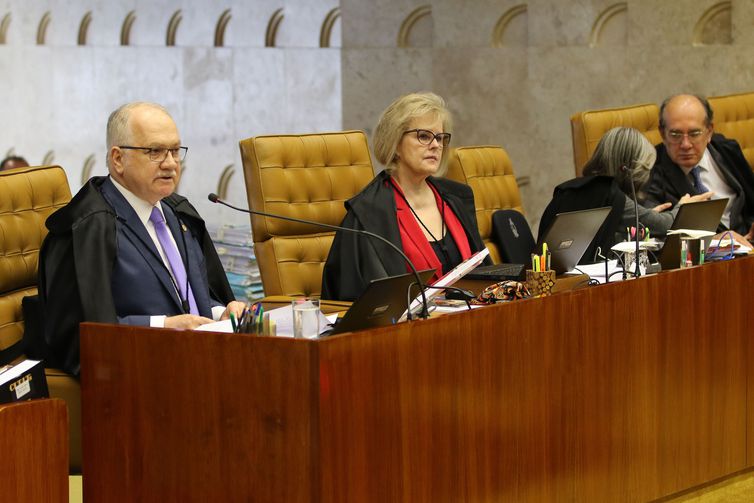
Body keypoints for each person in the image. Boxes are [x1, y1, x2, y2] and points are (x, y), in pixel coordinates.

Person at [37, 102, 244, 376]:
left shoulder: (179, 213)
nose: (170, 163)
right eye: (155, 151)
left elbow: (200, 297)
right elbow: (82, 337)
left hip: (204, 364)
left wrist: (221, 313)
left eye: (174, 151)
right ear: (118, 159)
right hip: (140, 378)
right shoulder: (88, 228)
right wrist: (161, 327)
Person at [321, 92, 487, 301]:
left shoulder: (455, 199)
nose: (436, 145)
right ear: (396, 143)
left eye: (440, 137)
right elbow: (362, 300)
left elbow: (484, 274)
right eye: (424, 136)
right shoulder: (368, 214)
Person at [538, 127, 710, 264]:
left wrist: (645, 218)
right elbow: (667, 225)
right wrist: (684, 207)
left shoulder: (583, 188)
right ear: (626, 169)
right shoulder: (610, 194)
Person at [644, 94, 754, 239]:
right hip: (699, 258)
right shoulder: (650, 171)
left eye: (694, 134)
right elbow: (649, 234)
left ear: (709, 132)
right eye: (675, 134)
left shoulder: (727, 150)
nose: (686, 145)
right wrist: (712, 242)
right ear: (662, 134)